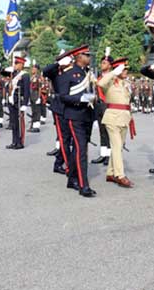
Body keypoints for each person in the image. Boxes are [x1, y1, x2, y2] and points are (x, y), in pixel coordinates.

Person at [58, 45, 96, 197]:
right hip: (74, 114)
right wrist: (80, 98)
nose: (89, 58)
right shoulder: (68, 74)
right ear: (79, 57)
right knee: (81, 150)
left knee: (79, 149)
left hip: (87, 114)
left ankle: (72, 178)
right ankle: (83, 185)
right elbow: (63, 96)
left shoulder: (88, 74)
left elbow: (92, 92)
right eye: (87, 55)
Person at [98, 57, 134, 188]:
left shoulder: (125, 83)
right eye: (123, 69)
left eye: (126, 69)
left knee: (118, 146)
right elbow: (100, 84)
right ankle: (120, 175)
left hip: (124, 117)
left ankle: (110, 172)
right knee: (117, 145)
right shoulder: (110, 81)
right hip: (112, 117)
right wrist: (113, 72)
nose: (126, 72)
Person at [43, 51, 74, 176]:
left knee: (68, 138)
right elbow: (45, 71)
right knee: (64, 138)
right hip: (60, 108)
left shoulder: (73, 71)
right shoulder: (56, 72)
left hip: (71, 107)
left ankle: (58, 163)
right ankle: (67, 165)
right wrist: (58, 63)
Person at [91, 49, 113, 166]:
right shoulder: (99, 77)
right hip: (99, 104)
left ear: (110, 65)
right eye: (101, 63)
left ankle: (109, 155)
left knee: (108, 130)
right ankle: (103, 153)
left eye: (104, 63)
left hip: (107, 104)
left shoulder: (111, 77)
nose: (101, 65)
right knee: (101, 130)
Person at [5, 55, 30, 150]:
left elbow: (27, 90)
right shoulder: (13, 74)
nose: (14, 65)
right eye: (14, 63)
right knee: (14, 122)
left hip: (19, 100)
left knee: (19, 123)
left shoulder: (25, 75)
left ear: (21, 64)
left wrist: (25, 104)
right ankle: (14, 141)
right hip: (12, 100)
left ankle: (20, 142)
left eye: (16, 63)